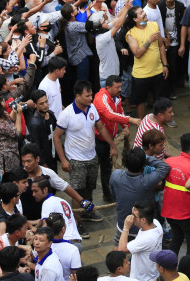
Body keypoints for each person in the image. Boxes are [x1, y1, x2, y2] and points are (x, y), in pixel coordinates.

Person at [53, 82, 116, 216]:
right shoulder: (67, 114)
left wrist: (113, 145)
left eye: (91, 95)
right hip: (75, 160)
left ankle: (87, 213)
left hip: (92, 157)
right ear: (78, 96)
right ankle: (77, 220)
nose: (91, 98)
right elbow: (56, 137)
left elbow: (101, 128)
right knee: (77, 192)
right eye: (87, 96)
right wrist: (63, 160)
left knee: (90, 188)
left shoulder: (92, 108)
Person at [110, 148, 171, 243]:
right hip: (142, 229)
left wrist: (135, 158)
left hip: (123, 225)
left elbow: (113, 194)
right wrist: (146, 158)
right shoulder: (147, 181)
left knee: (118, 246)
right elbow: (165, 167)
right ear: (143, 165)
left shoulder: (116, 175)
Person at [162, 133, 190, 256]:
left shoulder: (169, 161)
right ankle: (188, 266)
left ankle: (169, 264)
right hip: (187, 214)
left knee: (176, 238)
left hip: (169, 212)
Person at [118, 200, 165, 281]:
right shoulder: (156, 223)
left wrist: (126, 227)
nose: (132, 218)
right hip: (153, 273)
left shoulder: (146, 239)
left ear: (143, 220)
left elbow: (121, 249)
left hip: (142, 278)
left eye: (134, 216)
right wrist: (136, 210)